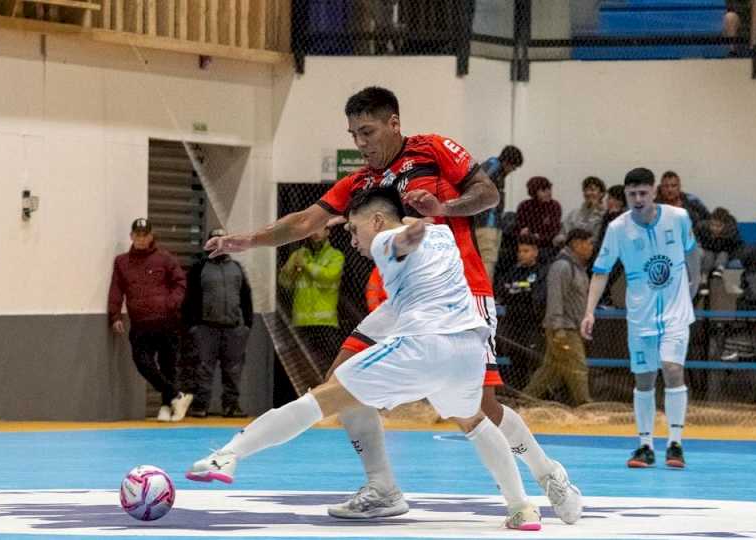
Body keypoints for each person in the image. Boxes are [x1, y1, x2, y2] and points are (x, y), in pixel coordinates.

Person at [202, 86, 581, 524]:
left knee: (481, 410)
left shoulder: (432, 150)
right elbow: (307, 221)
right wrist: (246, 240)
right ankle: (382, 487)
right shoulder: (361, 182)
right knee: (338, 386)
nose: (361, 143)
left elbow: (488, 194)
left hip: (459, 294)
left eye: (368, 131)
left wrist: (446, 206)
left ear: (393, 123)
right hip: (401, 301)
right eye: (354, 135)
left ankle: (547, 473)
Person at [187, 189, 543, 531]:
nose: (353, 240)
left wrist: (408, 234)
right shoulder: (443, 234)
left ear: (376, 221)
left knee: (322, 398)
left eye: (354, 229)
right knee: (475, 421)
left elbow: (399, 242)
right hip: (468, 350)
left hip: (422, 344)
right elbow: (413, 230)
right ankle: (521, 507)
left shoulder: (384, 241)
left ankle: (228, 454)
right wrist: (418, 223)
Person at [581, 168, 701, 469]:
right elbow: (601, 271)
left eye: (643, 193)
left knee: (673, 369)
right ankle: (645, 446)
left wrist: (694, 285)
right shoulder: (618, 228)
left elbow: (692, 252)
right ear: (625, 195)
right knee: (644, 379)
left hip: (675, 312)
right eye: (632, 194)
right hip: (640, 316)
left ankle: (675, 443)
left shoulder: (678, 218)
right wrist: (589, 311)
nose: (637, 199)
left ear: (654, 192)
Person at [107, 218, 193, 422]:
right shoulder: (122, 262)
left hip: (166, 322)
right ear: (131, 236)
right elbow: (116, 289)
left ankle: (166, 406)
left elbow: (180, 282)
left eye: (144, 235)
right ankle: (177, 396)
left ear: (151, 236)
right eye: (137, 235)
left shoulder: (165, 259)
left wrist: (171, 304)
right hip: (140, 323)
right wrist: (115, 314)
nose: (140, 239)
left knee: (168, 364)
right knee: (142, 362)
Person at [181, 228, 254, 418]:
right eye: (215, 240)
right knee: (203, 369)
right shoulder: (199, 268)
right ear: (209, 244)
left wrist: (247, 324)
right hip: (206, 328)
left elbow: (246, 297)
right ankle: (200, 405)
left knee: (233, 370)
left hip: (234, 329)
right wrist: (193, 326)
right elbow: (189, 298)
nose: (219, 244)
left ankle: (231, 406)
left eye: (222, 240)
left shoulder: (237, 268)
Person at [527, 229, 595, 406]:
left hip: (571, 326)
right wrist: (558, 329)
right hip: (564, 329)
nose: (591, 247)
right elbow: (555, 298)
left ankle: (525, 400)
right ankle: (585, 405)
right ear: (576, 244)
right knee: (577, 367)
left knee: (550, 369)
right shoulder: (562, 267)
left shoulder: (577, 267)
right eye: (588, 243)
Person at [277, 226, 345, 375]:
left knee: (327, 367)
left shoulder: (335, 256)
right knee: (302, 368)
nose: (315, 232)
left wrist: (306, 265)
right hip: (302, 322)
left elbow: (328, 277)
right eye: (313, 229)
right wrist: (290, 270)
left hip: (324, 323)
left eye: (320, 228)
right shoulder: (299, 255)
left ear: (328, 232)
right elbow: (284, 282)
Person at [495, 237, 549, 385]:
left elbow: (536, 294)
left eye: (526, 251)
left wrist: (516, 289)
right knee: (514, 358)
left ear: (535, 252)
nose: (522, 254)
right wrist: (521, 289)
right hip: (513, 322)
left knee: (532, 359)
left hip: (532, 323)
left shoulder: (541, 272)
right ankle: (517, 390)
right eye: (520, 251)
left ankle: (531, 390)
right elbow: (503, 291)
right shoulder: (512, 271)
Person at [475, 145, 524, 281]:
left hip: (492, 224)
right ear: (507, 162)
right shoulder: (492, 167)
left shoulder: (496, 170)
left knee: (489, 261)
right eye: (513, 168)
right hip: (486, 224)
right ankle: (485, 297)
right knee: (487, 261)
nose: (512, 171)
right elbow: (476, 185)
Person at [696, 207, 743, 297]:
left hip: (724, 250)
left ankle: (719, 269)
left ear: (725, 225)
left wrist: (720, 239)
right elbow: (699, 240)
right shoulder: (703, 228)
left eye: (718, 226)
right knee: (708, 256)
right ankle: (704, 280)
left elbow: (733, 247)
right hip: (709, 250)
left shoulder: (731, 231)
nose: (715, 228)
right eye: (712, 225)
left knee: (723, 254)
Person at [516, 176, 562, 262]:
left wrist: (538, 236)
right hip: (527, 243)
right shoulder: (524, 206)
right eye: (544, 190)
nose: (549, 193)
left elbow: (554, 231)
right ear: (534, 192)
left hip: (546, 245)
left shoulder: (554, 206)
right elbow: (520, 228)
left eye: (549, 189)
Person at [555, 176, 606, 247]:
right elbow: (563, 233)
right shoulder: (574, 213)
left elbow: (598, 238)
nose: (588, 193)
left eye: (592, 190)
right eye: (585, 190)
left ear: (601, 193)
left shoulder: (605, 215)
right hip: (570, 248)